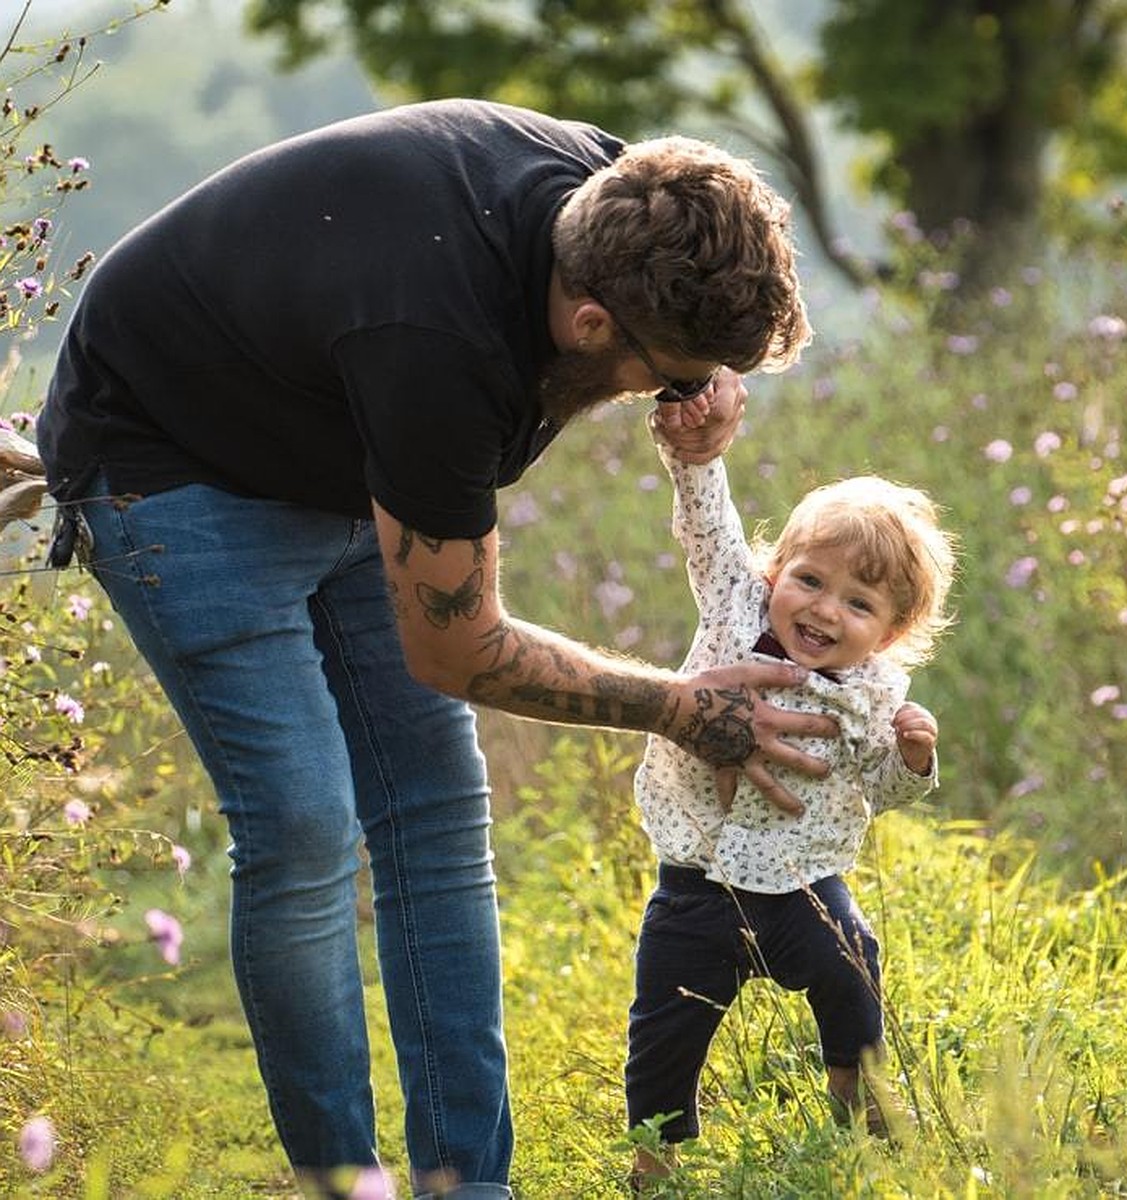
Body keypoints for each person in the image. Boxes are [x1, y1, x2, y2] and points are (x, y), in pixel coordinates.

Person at [35, 98, 832, 1199]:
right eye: (666, 373)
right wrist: (681, 707)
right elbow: (460, 654)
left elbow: (660, 327)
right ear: (594, 323)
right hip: (167, 465)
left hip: (338, 437)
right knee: (306, 829)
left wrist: (707, 393)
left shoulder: (633, 195)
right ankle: (341, 1182)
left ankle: (470, 1182)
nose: (670, 394)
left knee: (437, 815)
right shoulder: (437, 346)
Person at [626, 435, 957, 1184]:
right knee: (665, 1022)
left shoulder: (875, 694)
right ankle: (655, 1153)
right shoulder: (733, 605)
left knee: (852, 963)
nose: (824, 610)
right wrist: (697, 452)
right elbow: (706, 521)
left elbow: (884, 788)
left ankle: (853, 1079)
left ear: (891, 633)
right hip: (696, 882)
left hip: (803, 882)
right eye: (809, 579)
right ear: (775, 570)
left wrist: (912, 756)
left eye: (859, 603)